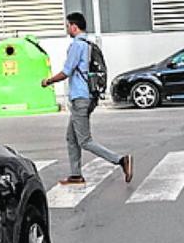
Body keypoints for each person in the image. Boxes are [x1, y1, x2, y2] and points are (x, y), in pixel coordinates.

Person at [42, 12, 133, 186]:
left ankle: (121, 160)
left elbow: (67, 71)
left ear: (74, 27)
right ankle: (76, 175)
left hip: (80, 98)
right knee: (71, 137)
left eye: (68, 26)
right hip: (88, 96)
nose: (67, 29)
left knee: (84, 140)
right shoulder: (88, 44)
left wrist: (48, 81)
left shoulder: (77, 45)